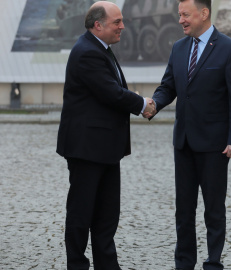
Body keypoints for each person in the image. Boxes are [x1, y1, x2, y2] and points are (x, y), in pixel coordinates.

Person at [146, 0, 231, 269]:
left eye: (185, 15)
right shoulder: (179, 48)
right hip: (184, 143)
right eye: (179, 15)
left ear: (204, 13)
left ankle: (213, 262)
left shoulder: (230, 49)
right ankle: (184, 262)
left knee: (214, 210)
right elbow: (168, 86)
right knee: (183, 210)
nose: (180, 20)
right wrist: (154, 104)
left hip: (215, 146)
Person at [56, 1, 156, 269]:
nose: (123, 26)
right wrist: (142, 104)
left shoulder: (99, 48)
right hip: (87, 149)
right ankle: (77, 265)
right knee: (81, 214)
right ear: (97, 25)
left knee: (106, 216)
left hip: (104, 149)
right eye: (117, 22)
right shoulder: (87, 52)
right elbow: (110, 92)